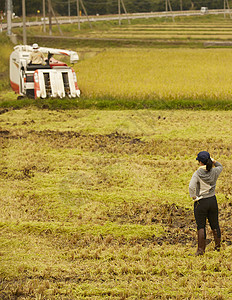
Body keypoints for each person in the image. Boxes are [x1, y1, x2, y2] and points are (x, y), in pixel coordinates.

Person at [189, 151, 223, 256]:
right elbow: (220, 165)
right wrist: (214, 161)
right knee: (215, 224)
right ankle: (217, 247)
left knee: (201, 226)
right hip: (212, 200)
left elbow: (191, 187)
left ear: (199, 162)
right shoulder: (215, 171)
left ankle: (200, 250)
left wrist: (194, 197)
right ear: (209, 160)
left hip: (201, 202)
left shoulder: (197, 173)